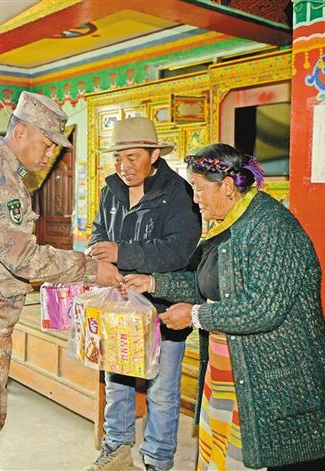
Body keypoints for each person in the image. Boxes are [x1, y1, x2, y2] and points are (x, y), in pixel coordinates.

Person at [124, 143, 325, 470]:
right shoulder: (229, 224)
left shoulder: (271, 228)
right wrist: (153, 283)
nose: (195, 198)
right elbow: (208, 285)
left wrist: (195, 315)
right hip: (232, 372)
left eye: (199, 188)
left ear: (227, 187)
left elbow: (261, 309)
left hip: (276, 381)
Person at [0, 91, 124, 471]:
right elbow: (23, 257)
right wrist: (90, 268)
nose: (49, 155)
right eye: (46, 143)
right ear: (20, 132)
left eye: (55, 147)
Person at [84, 117, 201, 471]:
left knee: (162, 392)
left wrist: (122, 253)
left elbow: (179, 251)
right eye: (118, 158)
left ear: (154, 154)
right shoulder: (110, 190)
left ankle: (158, 460)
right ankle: (116, 448)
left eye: (132, 157)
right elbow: (98, 231)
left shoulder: (178, 192)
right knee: (116, 383)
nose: (124, 166)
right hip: (120, 307)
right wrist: (98, 251)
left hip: (164, 309)